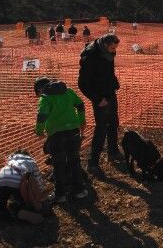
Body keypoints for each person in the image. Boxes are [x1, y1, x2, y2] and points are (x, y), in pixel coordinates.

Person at [34, 77, 87, 203]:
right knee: (74, 161)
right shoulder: (68, 91)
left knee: (58, 165)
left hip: (56, 134)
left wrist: (39, 131)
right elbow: (80, 105)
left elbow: (42, 115)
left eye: (37, 92)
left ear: (40, 90)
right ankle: (80, 190)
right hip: (73, 131)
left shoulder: (45, 98)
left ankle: (60, 194)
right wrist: (81, 121)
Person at [78, 34, 122, 175]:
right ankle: (93, 163)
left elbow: (108, 72)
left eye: (115, 48)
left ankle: (113, 152)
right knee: (101, 128)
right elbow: (83, 83)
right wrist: (97, 99)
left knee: (114, 123)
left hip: (109, 92)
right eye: (112, 48)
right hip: (99, 96)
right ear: (105, 45)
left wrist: (114, 83)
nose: (114, 51)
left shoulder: (108, 53)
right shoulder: (90, 57)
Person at [0, 150, 45, 230]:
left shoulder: (9, 162)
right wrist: (40, 193)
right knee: (15, 205)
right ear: (28, 155)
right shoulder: (31, 161)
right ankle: (21, 212)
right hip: (18, 180)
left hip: (2, 178)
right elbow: (37, 179)